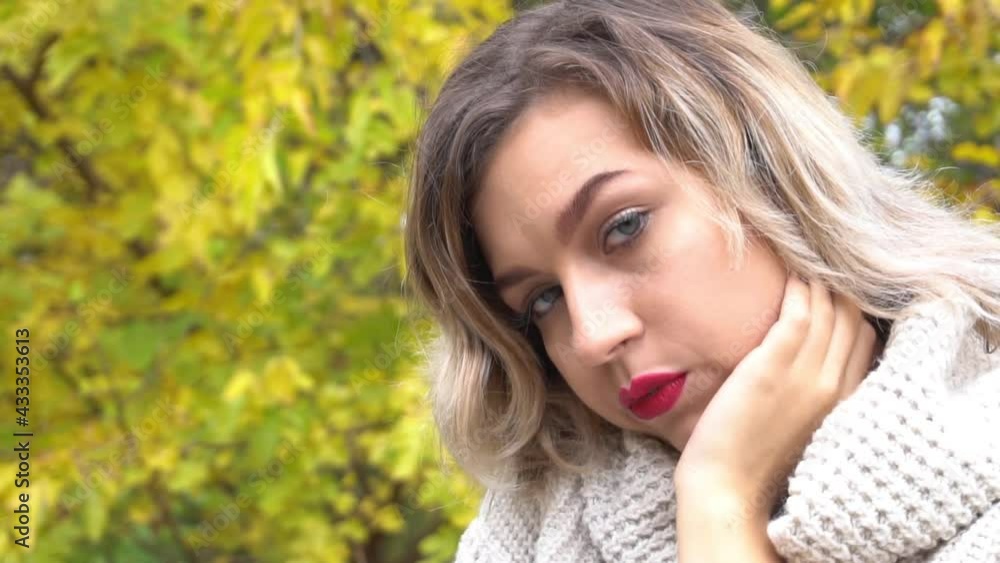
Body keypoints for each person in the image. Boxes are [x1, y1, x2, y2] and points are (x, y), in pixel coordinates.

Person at [402, 0, 1000, 561]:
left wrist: (721, 504)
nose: (591, 336)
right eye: (543, 299)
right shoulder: (528, 532)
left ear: (768, 173)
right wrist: (721, 494)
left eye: (624, 227)